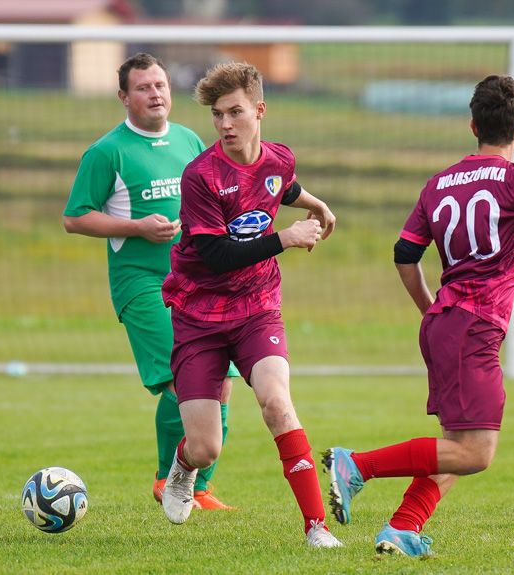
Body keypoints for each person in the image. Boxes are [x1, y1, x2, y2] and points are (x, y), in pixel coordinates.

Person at [323, 74, 514, 557]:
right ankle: (356, 464)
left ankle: (402, 527)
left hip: (446, 322)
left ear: (472, 125)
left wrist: (432, 311)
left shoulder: (438, 183)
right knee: (475, 453)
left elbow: (404, 254)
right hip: (474, 327)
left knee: (455, 445)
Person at [159, 62, 342, 548]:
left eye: (235, 112)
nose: (224, 124)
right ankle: (181, 469)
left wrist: (316, 205)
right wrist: (286, 236)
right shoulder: (200, 175)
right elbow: (217, 256)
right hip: (198, 313)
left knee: (277, 403)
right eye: (217, 115)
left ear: (259, 110)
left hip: (257, 306)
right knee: (205, 446)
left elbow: (282, 185)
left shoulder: (280, 158)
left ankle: (316, 527)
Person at [63, 53, 238, 511]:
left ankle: (199, 488)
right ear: (124, 97)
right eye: (143, 87)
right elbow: (75, 218)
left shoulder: (188, 140)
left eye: (160, 84)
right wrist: (138, 228)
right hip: (141, 282)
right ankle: (169, 479)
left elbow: (214, 195)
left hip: (197, 280)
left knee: (220, 383)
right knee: (186, 379)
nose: (155, 93)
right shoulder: (108, 152)